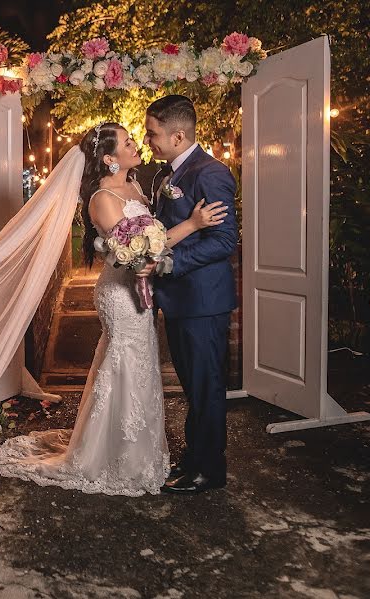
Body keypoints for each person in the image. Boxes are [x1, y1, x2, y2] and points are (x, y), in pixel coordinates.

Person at [0, 122, 227, 496]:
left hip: (141, 291)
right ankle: (117, 456)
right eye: (128, 142)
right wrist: (192, 225)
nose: (137, 144)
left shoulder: (138, 185)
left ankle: (142, 452)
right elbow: (138, 250)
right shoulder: (101, 199)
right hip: (121, 294)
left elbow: (150, 237)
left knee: (140, 365)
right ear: (109, 158)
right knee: (123, 362)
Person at [144, 94, 238, 494]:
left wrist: (170, 264)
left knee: (206, 385)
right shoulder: (172, 173)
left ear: (178, 135)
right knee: (193, 384)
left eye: (153, 134)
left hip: (202, 301)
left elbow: (224, 240)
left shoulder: (210, 174)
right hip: (182, 300)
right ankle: (195, 456)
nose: (148, 141)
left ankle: (209, 469)